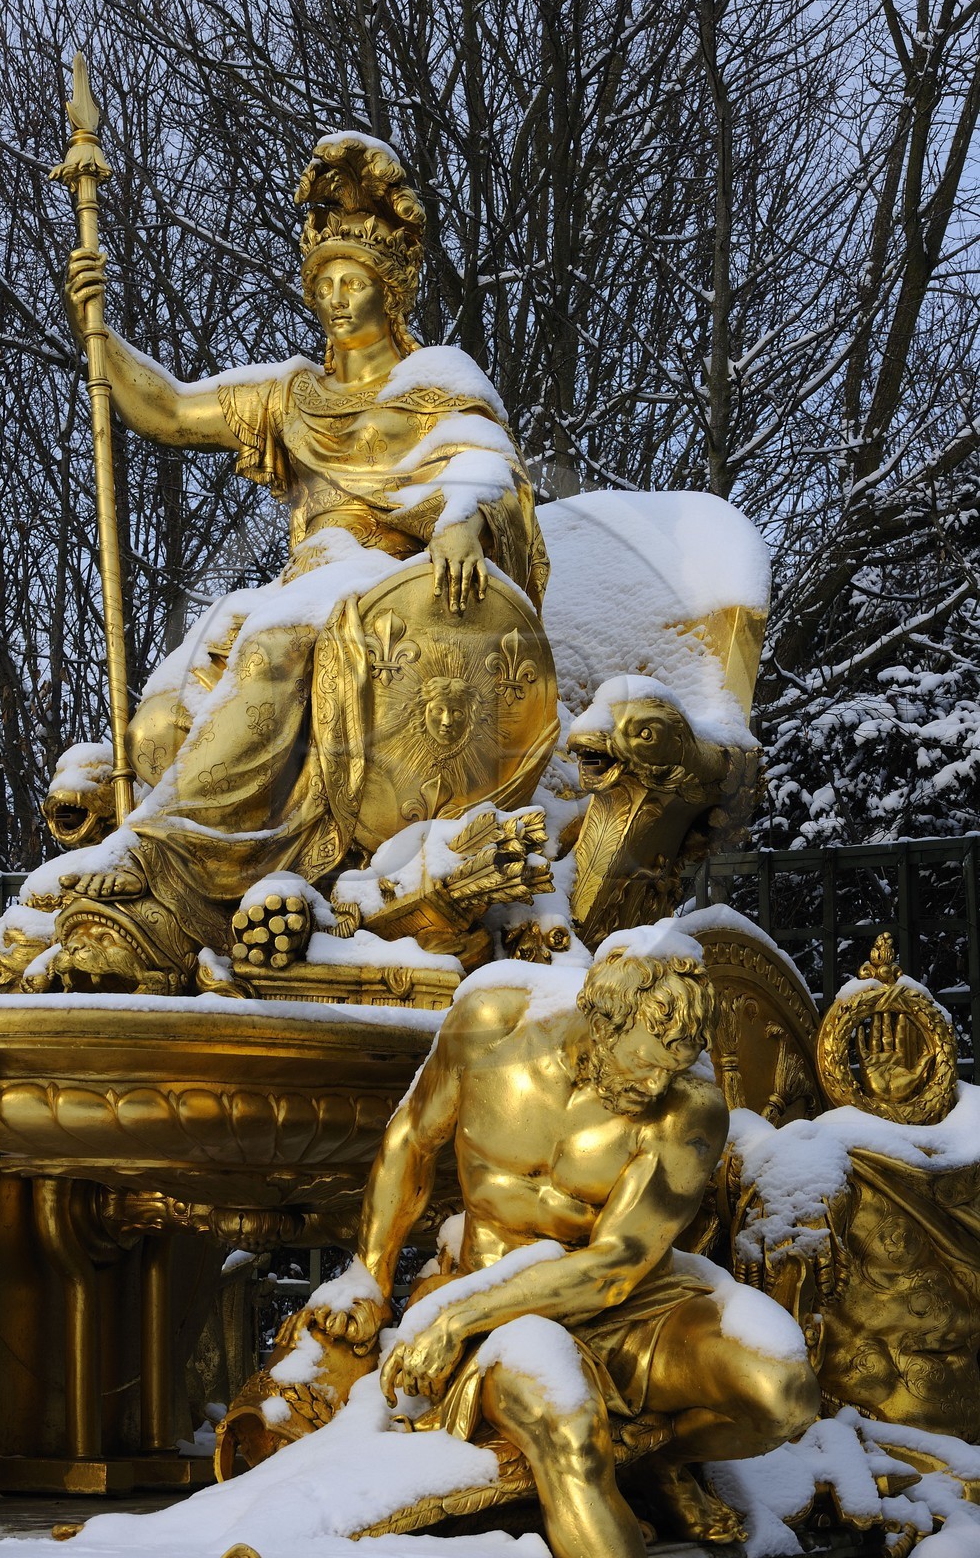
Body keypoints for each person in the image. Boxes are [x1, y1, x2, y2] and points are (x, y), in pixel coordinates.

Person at [56, 133, 552, 989]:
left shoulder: (437, 382)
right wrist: (97, 329)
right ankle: (206, 902)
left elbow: (489, 468)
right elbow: (168, 409)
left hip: (384, 592)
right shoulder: (293, 395)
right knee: (156, 721)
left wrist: (466, 521)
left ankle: (159, 863)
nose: (334, 298)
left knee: (277, 649)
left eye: (352, 281)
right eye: (322, 283)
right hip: (304, 586)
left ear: (390, 287)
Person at [294, 932, 820, 1557]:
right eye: (645, 1061)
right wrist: (370, 1277)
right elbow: (411, 1137)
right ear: (602, 1019)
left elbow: (615, 1266)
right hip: (503, 1308)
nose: (656, 1085)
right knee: (570, 1431)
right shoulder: (490, 1023)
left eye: (673, 1068)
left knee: (785, 1392)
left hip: (630, 1301)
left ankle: (661, 1459)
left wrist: (454, 1321)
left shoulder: (689, 1107)